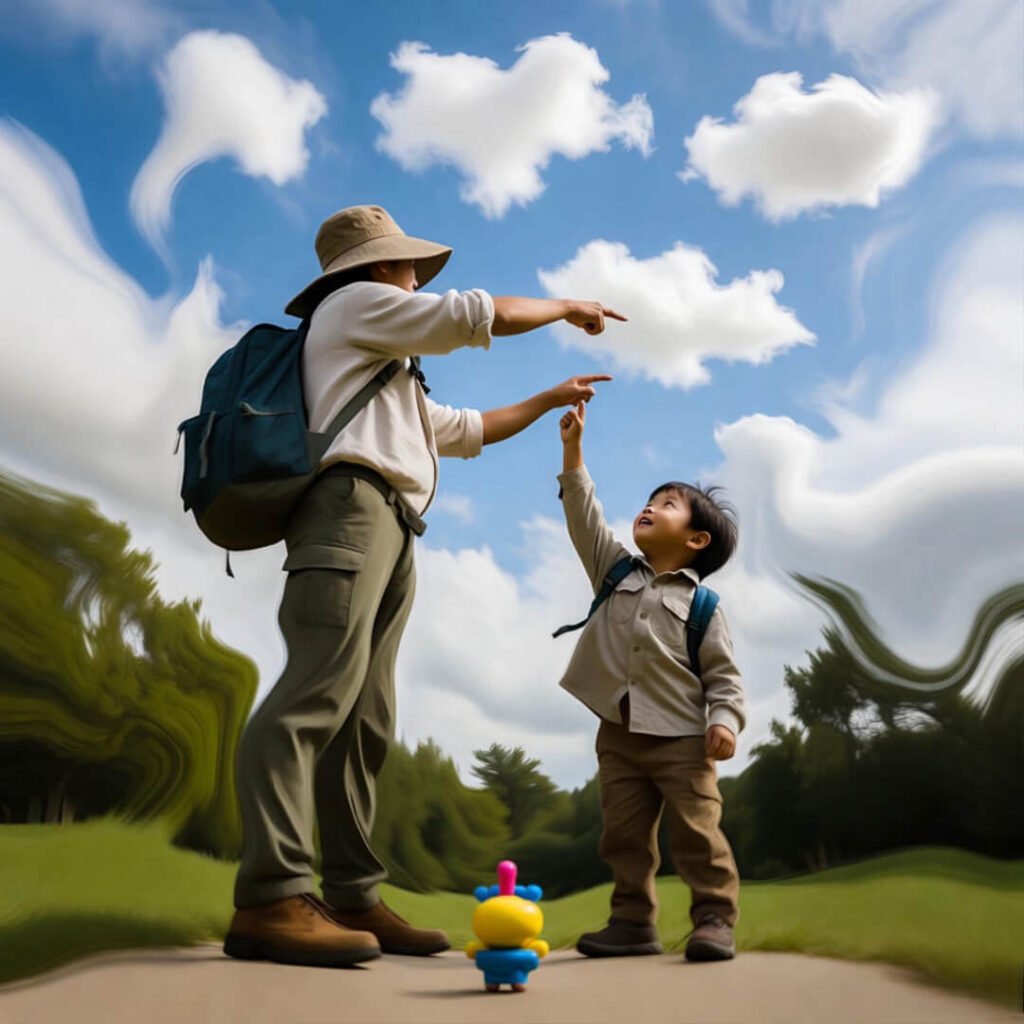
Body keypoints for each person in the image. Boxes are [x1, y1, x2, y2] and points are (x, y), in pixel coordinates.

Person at [223, 204, 624, 968]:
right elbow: (481, 314)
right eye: (410, 265)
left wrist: (547, 399)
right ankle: (271, 897)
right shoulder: (352, 305)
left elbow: (463, 430)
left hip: (395, 523)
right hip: (349, 510)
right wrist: (571, 305)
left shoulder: (386, 366)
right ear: (376, 267)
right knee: (314, 696)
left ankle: (351, 895)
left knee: (363, 721)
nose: (417, 277)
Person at [555, 399, 745, 962]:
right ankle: (632, 923)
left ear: (696, 541)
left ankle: (714, 916)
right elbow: (584, 514)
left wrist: (724, 724)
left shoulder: (704, 605)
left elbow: (724, 679)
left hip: (685, 741)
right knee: (623, 836)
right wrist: (573, 452)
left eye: (667, 505)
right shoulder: (614, 571)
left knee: (697, 832)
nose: (649, 507)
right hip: (618, 734)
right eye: (649, 501)